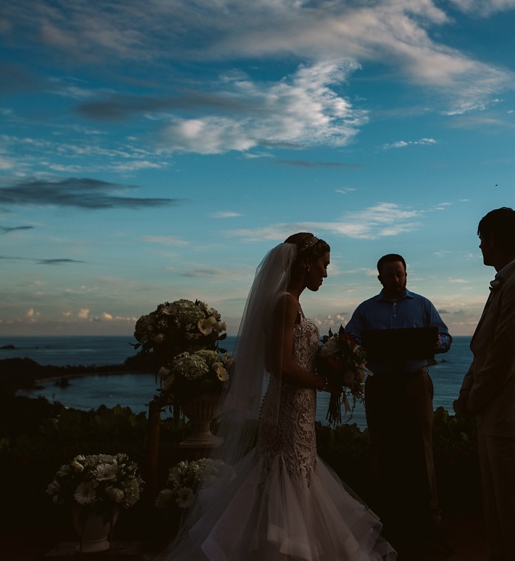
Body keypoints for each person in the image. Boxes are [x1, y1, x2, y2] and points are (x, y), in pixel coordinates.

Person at [158, 233, 396, 561]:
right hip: (288, 407)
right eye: (323, 265)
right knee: (290, 475)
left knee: (286, 474)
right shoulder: (286, 302)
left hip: (293, 406)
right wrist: (324, 381)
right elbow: (279, 365)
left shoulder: (289, 302)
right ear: (305, 264)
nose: (325, 274)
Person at [458, 208, 515, 561]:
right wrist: (468, 390)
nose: (480, 245)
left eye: (481, 238)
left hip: (512, 418)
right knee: (498, 516)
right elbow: (485, 349)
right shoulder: (509, 283)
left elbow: (503, 361)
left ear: (493, 239)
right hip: (499, 416)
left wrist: (472, 400)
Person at [345, 253, 451, 545]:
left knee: (422, 447)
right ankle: (384, 518)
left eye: (400, 274)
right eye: (389, 275)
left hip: (416, 383)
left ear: (407, 274)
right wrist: (350, 349)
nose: (395, 280)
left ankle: (430, 519)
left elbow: (446, 338)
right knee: (381, 447)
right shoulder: (366, 310)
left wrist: (437, 342)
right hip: (381, 385)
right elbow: (348, 341)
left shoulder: (423, 305)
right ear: (379, 278)